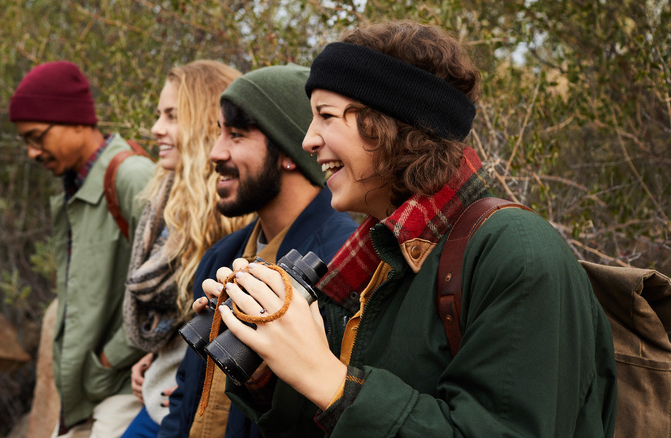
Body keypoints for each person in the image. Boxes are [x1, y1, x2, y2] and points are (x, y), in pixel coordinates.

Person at [207, 21, 618, 437]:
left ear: (390, 124)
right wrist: (263, 353)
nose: (309, 139)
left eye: (326, 116)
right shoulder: (372, 256)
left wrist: (327, 378)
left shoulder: (518, 253)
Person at [157, 64, 357, 438]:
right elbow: (187, 396)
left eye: (236, 135)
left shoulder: (344, 262)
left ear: (288, 151)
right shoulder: (221, 258)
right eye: (219, 133)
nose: (216, 153)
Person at [9, 61, 157, 437]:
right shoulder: (75, 186)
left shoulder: (131, 176)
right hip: (89, 394)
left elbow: (171, 283)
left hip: (124, 388)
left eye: (37, 137)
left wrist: (108, 361)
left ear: (75, 119)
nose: (32, 152)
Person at [120, 60, 252, 438]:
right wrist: (157, 355)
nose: (156, 129)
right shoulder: (167, 200)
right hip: (158, 390)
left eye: (172, 116)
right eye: (159, 115)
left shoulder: (230, 212)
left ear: (204, 125)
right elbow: (184, 319)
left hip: (185, 406)